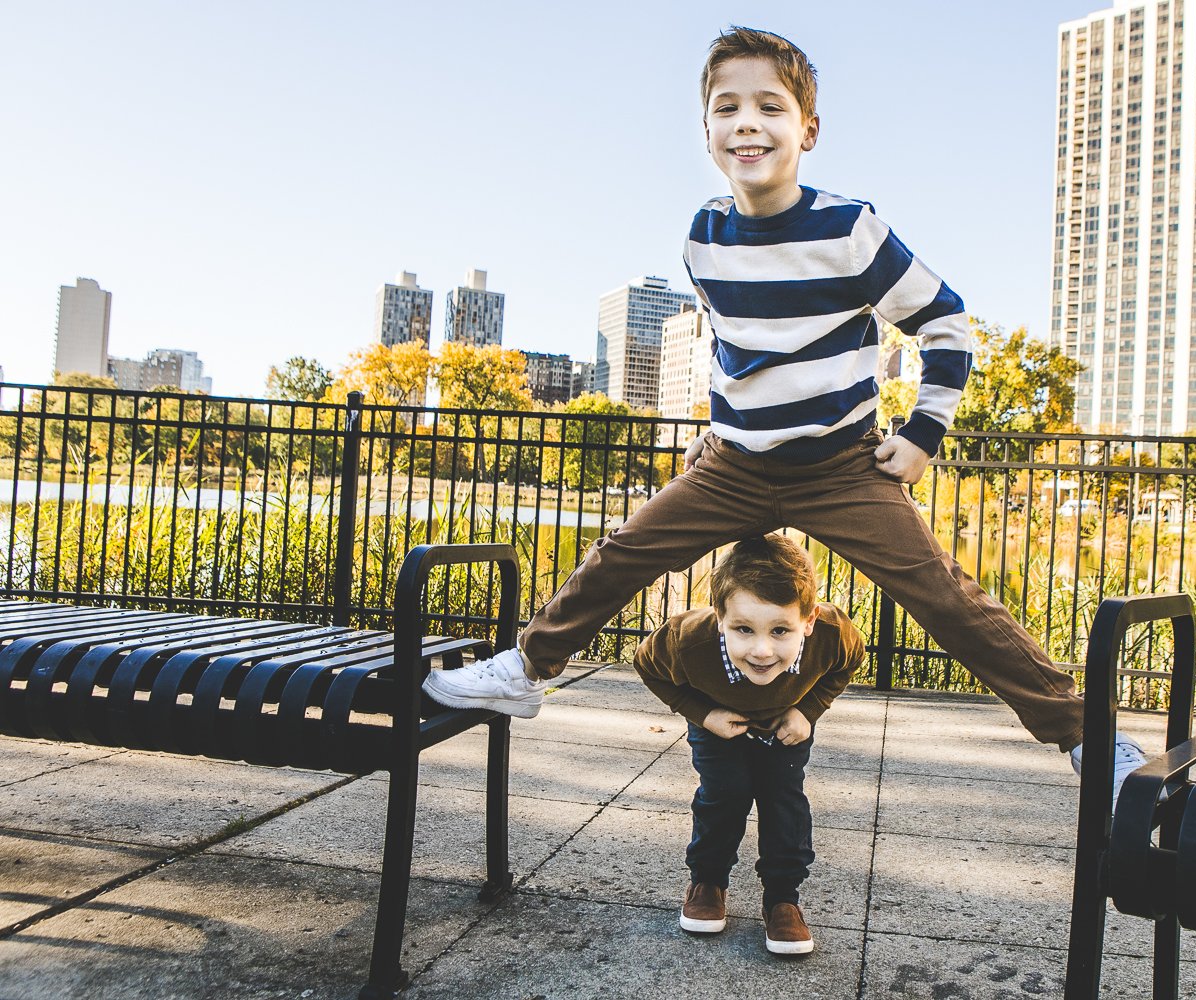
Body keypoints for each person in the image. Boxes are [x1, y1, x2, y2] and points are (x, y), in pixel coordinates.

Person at [424, 26, 1147, 805]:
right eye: (726, 107)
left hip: (839, 468)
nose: (747, 123)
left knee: (945, 597)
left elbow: (946, 323)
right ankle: (526, 670)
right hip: (734, 466)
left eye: (770, 107)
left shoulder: (847, 229)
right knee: (623, 553)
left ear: (806, 129)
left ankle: (1088, 738)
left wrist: (921, 436)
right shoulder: (704, 237)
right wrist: (717, 429)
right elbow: (738, 349)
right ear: (706, 132)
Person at [632, 533, 860, 954]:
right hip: (719, 722)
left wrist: (807, 711)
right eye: (742, 629)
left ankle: (783, 900)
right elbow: (646, 665)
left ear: (807, 621)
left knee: (784, 799)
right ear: (720, 616)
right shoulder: (687, 641)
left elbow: (849, 660)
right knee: (724, 794)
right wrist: (704, 715)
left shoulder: (830, 634)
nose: (761, 649)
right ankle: (708, 882)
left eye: (780, 630)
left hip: (785, 722)